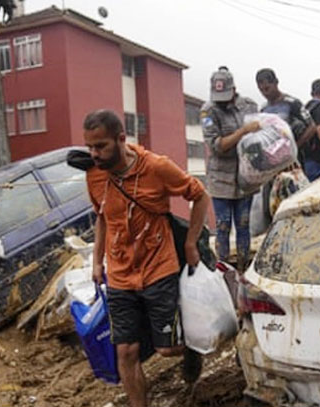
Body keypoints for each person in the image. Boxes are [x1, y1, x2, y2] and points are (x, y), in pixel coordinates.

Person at [83, 110, 211, 407]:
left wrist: (191, 243)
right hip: (119, 274)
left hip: (158, 267)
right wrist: (96, 261)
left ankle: (190, 349)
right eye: (90, 147)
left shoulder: (156, 167)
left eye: (100, 146)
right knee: (126, 351)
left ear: (121, 139)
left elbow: (199, 195)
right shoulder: (94, 175)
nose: (94, 154)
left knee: (167, 349)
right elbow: (101, 216)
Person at [200, 67, 259, 270]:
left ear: (234, 89)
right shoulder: (208, 111)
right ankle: (223, 270)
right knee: (223, 227)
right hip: (220, 179)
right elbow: (217, 146)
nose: (223, 101)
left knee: (243, 225)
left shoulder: (249, 106)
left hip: (245, 176)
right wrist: (242, 132)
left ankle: (243, 268)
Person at [255, 68, 317, 159]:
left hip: (294, 160)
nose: (265, 93)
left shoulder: (292, 103)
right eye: (261, 90)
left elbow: (312, 127)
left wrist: (295, 146)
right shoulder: (263, 110)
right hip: (273, 160)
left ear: (276, 82)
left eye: (267, 88)